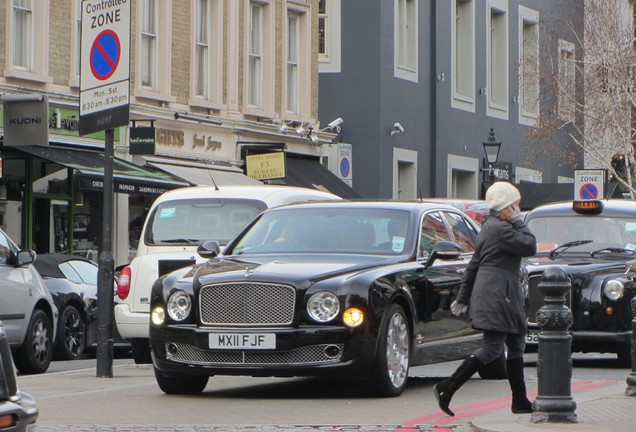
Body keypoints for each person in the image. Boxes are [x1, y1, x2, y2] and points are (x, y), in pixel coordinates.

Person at [433, 181, 537, 416]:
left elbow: (474, 264)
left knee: (517, 340)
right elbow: (530, 245)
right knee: (492, 348)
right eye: (516, 205)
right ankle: (446, 387)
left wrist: (463, 296)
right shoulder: (502, 229)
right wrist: (519, 221)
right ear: (507, 207)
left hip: (501, 293)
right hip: (498, 294)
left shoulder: (490, 227)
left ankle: (519, 400)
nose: (519, 208)